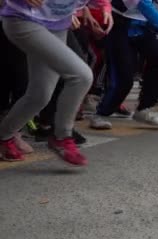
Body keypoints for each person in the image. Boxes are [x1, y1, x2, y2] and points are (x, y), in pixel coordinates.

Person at [0, 0, 94, 165]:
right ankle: (62, 137)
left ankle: (4, 136)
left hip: (56, 25)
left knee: (40, 95)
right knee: (81, 75)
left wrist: (105, 6)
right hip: (22, 19)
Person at [90, 0, 158, 129]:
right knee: (123, 79)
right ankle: (101, 113)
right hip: (120, 25)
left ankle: (143, 108)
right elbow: (146, 6)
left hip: (144, 25)